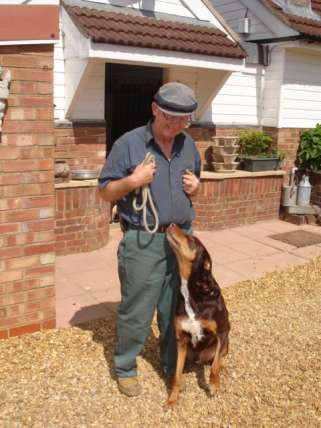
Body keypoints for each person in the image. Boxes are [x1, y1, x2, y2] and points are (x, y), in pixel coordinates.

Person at [98, 82, 201, 397]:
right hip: (144, 241)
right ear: (155, 109)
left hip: (181, 239)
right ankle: (126, 366)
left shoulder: (189, 145)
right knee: (137, 309)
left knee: (176, 306)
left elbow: (197, 186)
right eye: (170, 117)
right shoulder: (129, 144)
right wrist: (132, 181)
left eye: (183, 120)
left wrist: (197, 187)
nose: (176, 126)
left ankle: (172, 364)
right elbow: (104, 192)